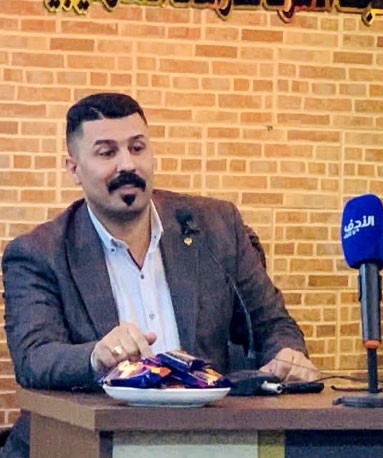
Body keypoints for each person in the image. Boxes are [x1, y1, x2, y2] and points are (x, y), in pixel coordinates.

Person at [1, 93, 319, 457]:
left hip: (205, 442)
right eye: (107, 153)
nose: (127, 165)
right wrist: (96, 355)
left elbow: (272, 324)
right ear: (74, 169)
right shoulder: (39, 253)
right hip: (81, 445)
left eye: (137, 148)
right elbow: (35, 358)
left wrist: (287, 354)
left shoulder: (215, 227)